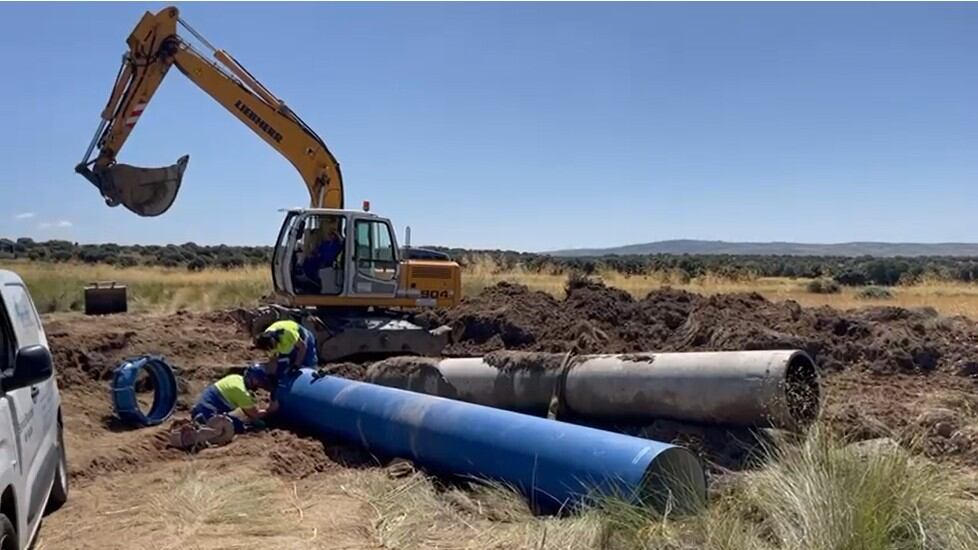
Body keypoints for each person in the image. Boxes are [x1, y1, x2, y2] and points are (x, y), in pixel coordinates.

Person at [189, 365, 277, 435]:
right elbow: (255, 414)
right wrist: (271, 409)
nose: (258, 385)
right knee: (239, 427)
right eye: (257, 381)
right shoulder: (241, 392)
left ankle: (200, 419)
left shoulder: (236, 378)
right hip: (209, 412)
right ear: (251, 378)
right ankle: (203, 425)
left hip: (201, 406)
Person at [254, 319, 318, 371]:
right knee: (284, 367)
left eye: (273, 346)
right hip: (288, 346)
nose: (274, 348)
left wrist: (296, 365)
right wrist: (271, 376)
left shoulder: (287, 333)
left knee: (308, 364)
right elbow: (274, 359)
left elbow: (303, 347)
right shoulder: (266, 341)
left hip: (302, 340)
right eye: (271, 348)